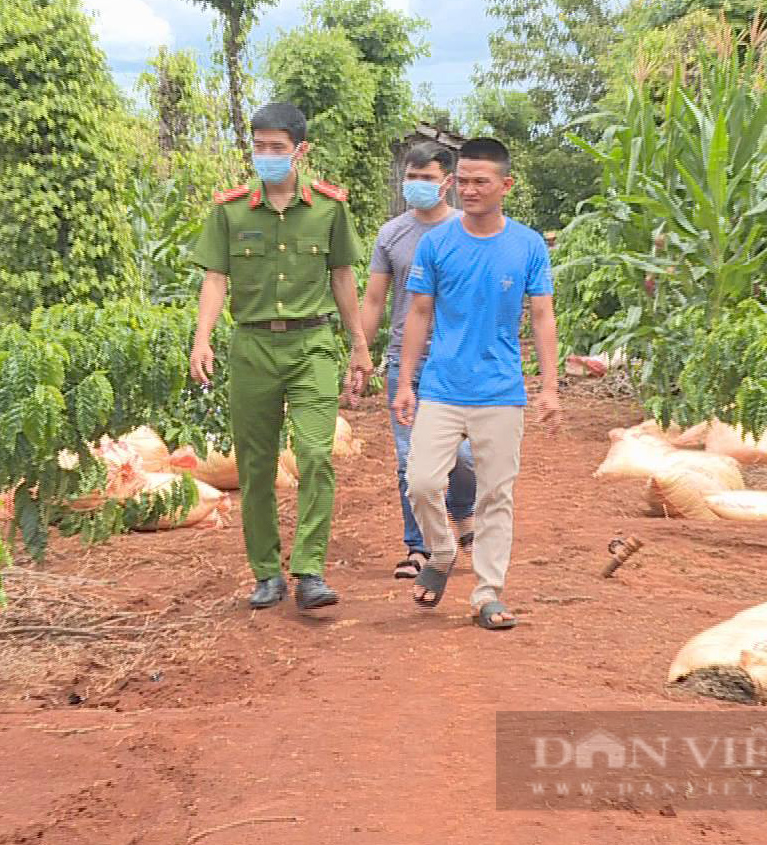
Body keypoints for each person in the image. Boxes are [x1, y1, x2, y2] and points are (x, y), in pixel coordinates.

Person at [189, 102, 371, 612]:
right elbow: (215, 279)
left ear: (300, 151)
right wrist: (202, 338)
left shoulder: (330, 208)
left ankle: (310, 569)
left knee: (315, 455)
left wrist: (358, 344)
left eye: (277, 147)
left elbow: (342, 278)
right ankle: (266, 573)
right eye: (259, 146)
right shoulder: (229, 211)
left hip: (312, 344)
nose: (266, 156)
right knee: (257, 465)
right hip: (251, 348)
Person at [392, 136, 560, 630]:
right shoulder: (437, 242)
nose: (468, 189)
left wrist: (548, 388)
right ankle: (441, 552)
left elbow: (543, 316)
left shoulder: (527, 244)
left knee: (495, 497)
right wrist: (405, 383)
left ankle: (487, 593)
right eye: (461, 180)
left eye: (479, 181)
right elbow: (418, 313)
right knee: (420, 481)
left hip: (501, 392)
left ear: (505, 185)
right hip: (441, 387)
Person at [358, 142, 477, 582]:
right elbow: (373, 299)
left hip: (456, 363)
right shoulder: (392, 234)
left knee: (463, 455)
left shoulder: (468, 231)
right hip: (402, 364)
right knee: (410, 459)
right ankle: (419, 546)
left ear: (447, 182)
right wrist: (360, 355)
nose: (418, 185)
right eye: (412, 177)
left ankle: (463, 511)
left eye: (427, 178)